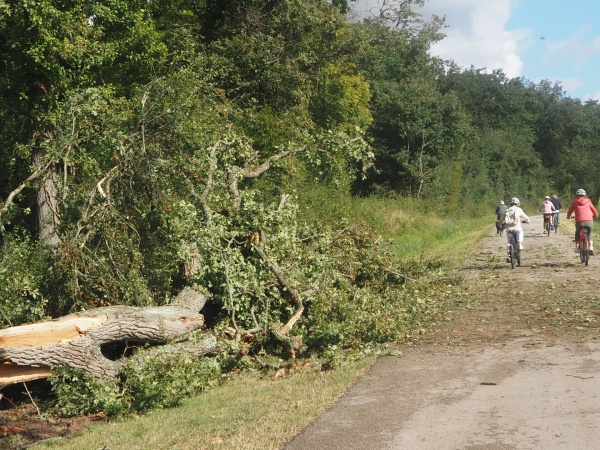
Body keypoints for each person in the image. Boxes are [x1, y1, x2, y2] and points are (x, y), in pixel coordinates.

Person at [567, 189, 598, 255]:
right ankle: (591, 247)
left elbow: (570, 211)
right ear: (584, 195)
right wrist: (595, 216)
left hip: (579, 222)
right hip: (589, 221)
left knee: (578, 233)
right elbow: (594, 210)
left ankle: (578, 247)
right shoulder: (588, 202)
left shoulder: (575, 202)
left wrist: (568, 216)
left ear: (576, 195)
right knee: (589, 233)